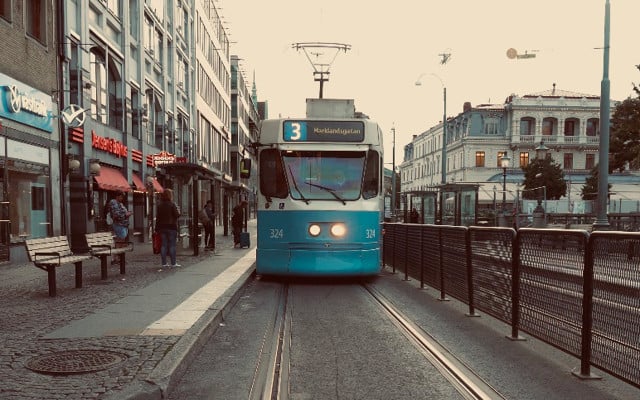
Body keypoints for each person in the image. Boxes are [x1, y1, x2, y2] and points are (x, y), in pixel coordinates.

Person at [156, 188, 181, 268]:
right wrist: (178, 210)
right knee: (172, 245)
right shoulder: (172, 204)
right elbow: (177, 215)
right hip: (171, 227)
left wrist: (157, 228)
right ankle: (173, 263)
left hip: (162, 227)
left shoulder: (159, 205)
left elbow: (158, 218)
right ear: (170, 195)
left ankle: (164, 263)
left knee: (164, 245)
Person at [108, 191, 132, 263]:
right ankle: (116, 258)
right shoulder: (113, 203)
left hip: (123, 225)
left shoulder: (120, 204)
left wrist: (127, 213)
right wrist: (126, 215)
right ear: (117, 196)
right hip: (119, 225)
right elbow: (116, 215)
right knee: (119, 242)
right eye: (121, 196)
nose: (122, 198)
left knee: (121, 242)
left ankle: (118, 258)